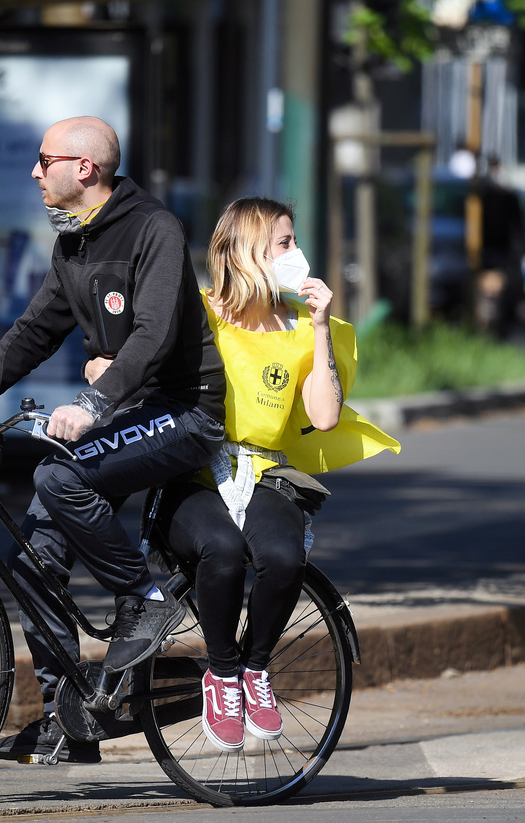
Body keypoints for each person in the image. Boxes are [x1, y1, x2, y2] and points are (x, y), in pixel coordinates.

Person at [0, 117, 226, 765]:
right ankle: (70, 717)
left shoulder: (154, 229)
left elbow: (152, 335)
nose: (34, 172)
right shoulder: (74, 243)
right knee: (33, 557)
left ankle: (143, 600)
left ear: (84, 168)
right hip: (130, 411)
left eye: (44, 159)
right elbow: (36, 330)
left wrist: (94, 401)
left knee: (57, 477)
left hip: (183, 410)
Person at [141, 197, 400, 752]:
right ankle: (222, 673)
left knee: (283, 557)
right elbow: (141, 358)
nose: (296, 252)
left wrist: (321, 325)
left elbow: (325, 416)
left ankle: (254, 669)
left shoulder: (301, 326)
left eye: (294, 241)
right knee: (222, 550)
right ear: (247, 251)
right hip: (193, 471)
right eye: (284, 242)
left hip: (265, 472)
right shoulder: (198, 312)